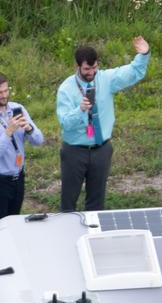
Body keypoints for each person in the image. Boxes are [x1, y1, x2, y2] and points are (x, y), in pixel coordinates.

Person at [55, 38, 151, 212]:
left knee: (97, 201)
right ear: (78, 66)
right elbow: (65, 123)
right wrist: (80, 109)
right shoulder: (66, 89)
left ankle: (92, 234)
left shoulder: (106, 78)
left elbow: (131, 72)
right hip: (75, 151)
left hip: (101, 149)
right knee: (69, 199)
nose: (91, 72)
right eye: (87, 69)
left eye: (94, 67)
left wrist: (143, 55)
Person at [0, 72, 46, 228]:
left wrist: (29, 129)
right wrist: (8, 132)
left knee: (13, 225)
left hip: (18, 178)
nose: (4, 95)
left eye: (6, 90)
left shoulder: (17, 108)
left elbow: (39, 141)